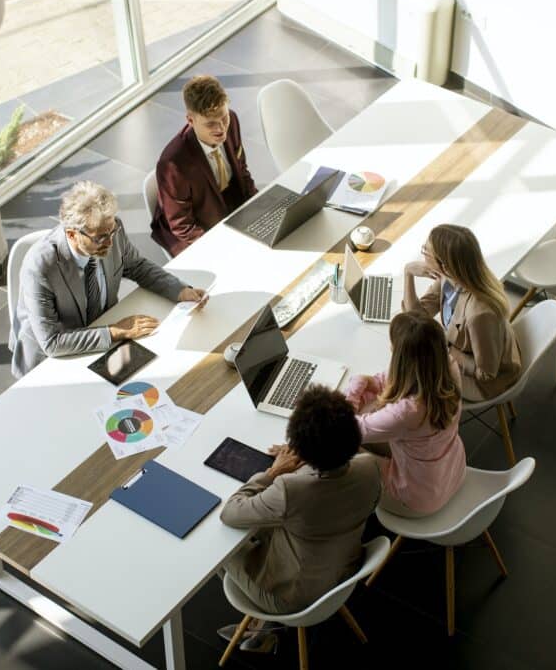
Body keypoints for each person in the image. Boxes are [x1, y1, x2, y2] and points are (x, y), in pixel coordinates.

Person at [218, 385, 380, 652]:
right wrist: (306, 457)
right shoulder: (370, 467)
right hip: (342, 571)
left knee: (218, 547)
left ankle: (263, 627)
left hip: (289, 597)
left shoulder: (291, 490)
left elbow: (231, 512)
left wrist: (272, 472)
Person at [10, 180, 208, 378]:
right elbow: (52, 342)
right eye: (100, 238)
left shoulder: (111, 229)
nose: (110, 242)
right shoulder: (40, 267)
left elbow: (136, 266)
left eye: (112, 232)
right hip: (52, 359)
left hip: (103, 334)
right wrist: (116, 331)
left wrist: (180, 291)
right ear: (71, 234)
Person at [346, 311, 466, 517]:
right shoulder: (447, 368)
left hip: (417, 499)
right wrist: (375, 382)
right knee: (370, 411)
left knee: (341, 446)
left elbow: (345, 429)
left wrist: (355, 386)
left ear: (402, 357)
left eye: (393, 345)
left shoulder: (408, 411)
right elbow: (392, 378)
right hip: (452, 472)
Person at [404, 224, 522, 401]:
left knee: (412, 375)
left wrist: (447, 348)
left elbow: (486, 374)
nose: (423, 255)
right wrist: (408, 273)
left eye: (425, 251)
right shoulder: (451, 278)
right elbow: (416, 316)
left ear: (444, 265)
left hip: (484, 384)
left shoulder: (480, 315)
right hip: (466, 353)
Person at [151, 74, 258, 257]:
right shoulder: (173, 164)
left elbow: (242, 171)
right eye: (211, 124)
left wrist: (259, 206)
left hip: (226, 200)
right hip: (193, 227)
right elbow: (182, 225)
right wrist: (222, 247)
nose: (221, 129)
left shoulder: (232, 120)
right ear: (191, 121)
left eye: (223, 118)